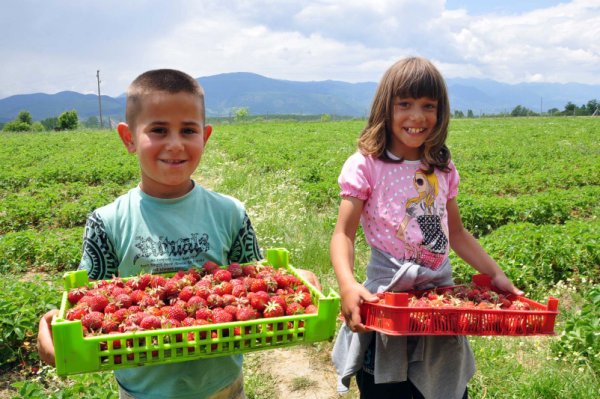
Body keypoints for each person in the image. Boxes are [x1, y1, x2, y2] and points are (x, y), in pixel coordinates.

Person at [37, 69, 318, 399]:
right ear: (128, 137)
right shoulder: (107, 222)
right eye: (158, 130)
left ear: (205, 136)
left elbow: (256, 280)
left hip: (222, 388)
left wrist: (295, 280)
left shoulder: (230, 213)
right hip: (143, 391)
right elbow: (87, 301)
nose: (174, 144)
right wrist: (58, 324)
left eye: (188, 130)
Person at [330, 57, 523, 399]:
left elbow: (458, 233)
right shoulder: (366, 165)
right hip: (388, 301)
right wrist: (347, 284)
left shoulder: (442, 168)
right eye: (404, 104)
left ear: (441, 112)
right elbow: (343, 234)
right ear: (385, 108)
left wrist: (495, 274)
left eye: (428, 106)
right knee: (388, 388)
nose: (417, 116)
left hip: (438, 302)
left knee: (444, 385)